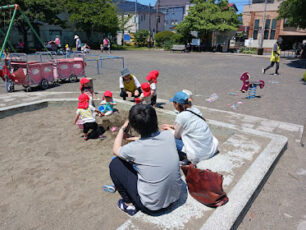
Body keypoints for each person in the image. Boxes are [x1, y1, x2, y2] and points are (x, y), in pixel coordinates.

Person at [109, 104, 182, 216]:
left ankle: (129, 205)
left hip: (152, 206)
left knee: (115, 163)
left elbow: (115, 150)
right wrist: (134, 138)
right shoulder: (168, 136)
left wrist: (122, 128)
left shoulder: (135, 148)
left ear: (133, 126)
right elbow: (152, 140)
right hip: (175, 197)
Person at [162, 91, 219, 165]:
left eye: (173, 103)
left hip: (199, 154)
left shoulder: (181, 116)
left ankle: (184, 157)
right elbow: (189, 125)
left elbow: (176, 136)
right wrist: (172, 127)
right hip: (210, 148)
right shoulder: (196, 110)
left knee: (165, 134)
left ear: (177, 104)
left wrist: (168, 129)